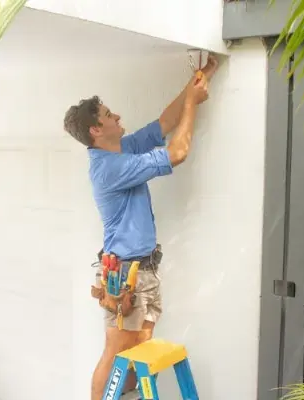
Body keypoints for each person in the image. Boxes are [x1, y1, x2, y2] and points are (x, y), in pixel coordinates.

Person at [63, 55, 219, 400]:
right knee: (117, 352)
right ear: (95, 130)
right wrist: (194, 102)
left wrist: (200, 78)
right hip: (125, 276)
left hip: (143, 270)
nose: (116, 116)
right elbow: (177, 151)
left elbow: (165, 122)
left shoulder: (123, 149)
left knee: (137, 353)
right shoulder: (110, 168)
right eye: (108, 115)